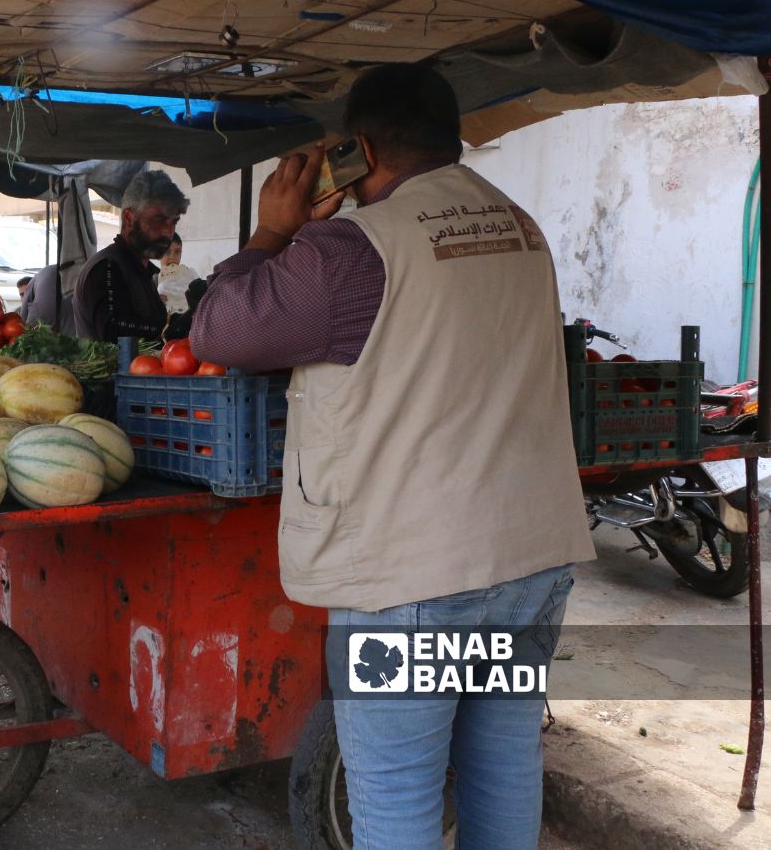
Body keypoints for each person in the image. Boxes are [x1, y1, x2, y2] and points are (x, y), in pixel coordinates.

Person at [191, 63, 593, 849]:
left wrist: (274, 229)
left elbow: (218, 333)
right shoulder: (519, 223)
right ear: (452, 140)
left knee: (399, 794)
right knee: (505, 762)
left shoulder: (350, 249)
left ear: (362, 148)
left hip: (415, 577)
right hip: (533, 557)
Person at [74, 169, 186, 342]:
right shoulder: (107, 266)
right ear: (129, 218)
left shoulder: (143, 270)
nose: (168, 232)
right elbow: (113, 327)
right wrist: (167, 328)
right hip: (111, 369)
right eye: (159, 220)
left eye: (173, 222)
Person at [20, 262, 83, 336]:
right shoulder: (67, 269)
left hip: (44, 308)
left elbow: (22, 319)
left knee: (29, 335)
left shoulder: (34, 281)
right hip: (75, 303)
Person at [156, 234, 200, 315]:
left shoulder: (191, 276)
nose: (172, 257)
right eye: (167, 252)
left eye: (177, 252)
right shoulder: (151, 281)